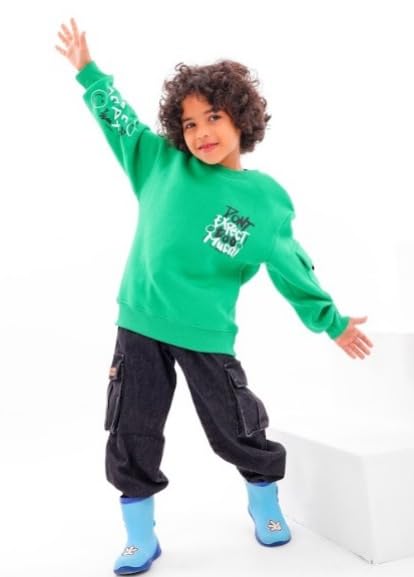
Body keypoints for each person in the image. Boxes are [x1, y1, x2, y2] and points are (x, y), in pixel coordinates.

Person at [55, 17, 374, 576]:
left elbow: (291, 267)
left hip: (206, 335)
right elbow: (119, 121)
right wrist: (89, 73)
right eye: (189, 122)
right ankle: (140, 535)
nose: (201, 132)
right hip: (139, 325)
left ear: (240, 120)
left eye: (214, 117)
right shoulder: (159, 163)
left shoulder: (264, 199)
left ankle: (264, 501)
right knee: (131, 430)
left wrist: (331, 321)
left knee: (236, 425)